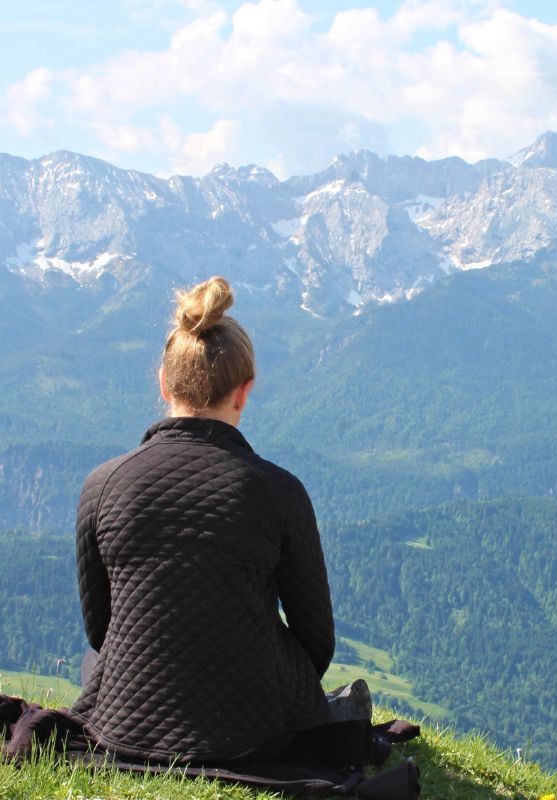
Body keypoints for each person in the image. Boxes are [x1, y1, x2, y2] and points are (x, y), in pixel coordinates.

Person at [69, 276, 338, 766]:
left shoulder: (101, 485)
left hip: (120, 727)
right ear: (244, 392)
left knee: (95, 662)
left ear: (164, 383)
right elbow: (316, 643)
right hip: (254, 735)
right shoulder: (280, 492)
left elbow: (101, 629)